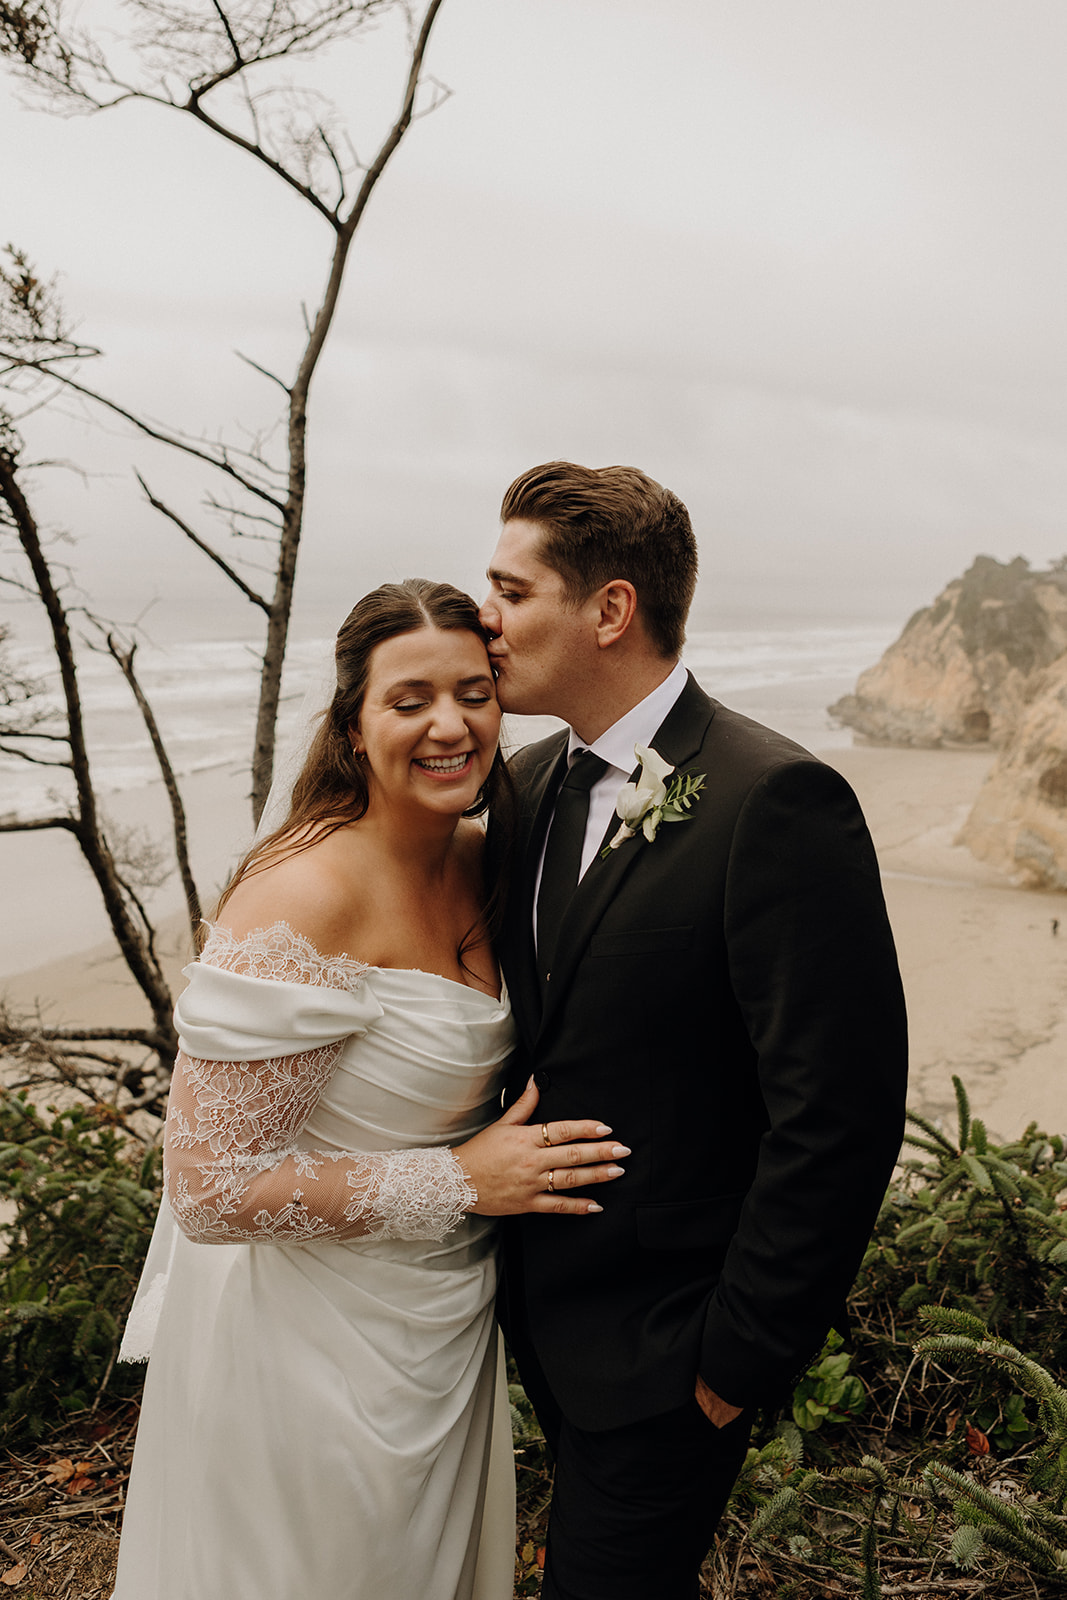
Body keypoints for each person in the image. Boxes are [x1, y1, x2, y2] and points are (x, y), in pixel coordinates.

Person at [111, 579, 628, 1600]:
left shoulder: (487, 860)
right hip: (299, 1352)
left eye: (474, 692)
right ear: (353, 724)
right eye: (409, 699)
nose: (450, 724)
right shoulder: (305, 894)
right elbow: (207, 1191)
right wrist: (458, 1180)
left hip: (440, 1328)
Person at [480, 464, 909, 1600]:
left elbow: (839, 1108)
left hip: (674, 1355)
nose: (485, 619)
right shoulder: (521, 789)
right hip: (531, 1340)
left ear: (607, 609)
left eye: (509, 591)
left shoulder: (774, 800)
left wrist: (735, 1358)